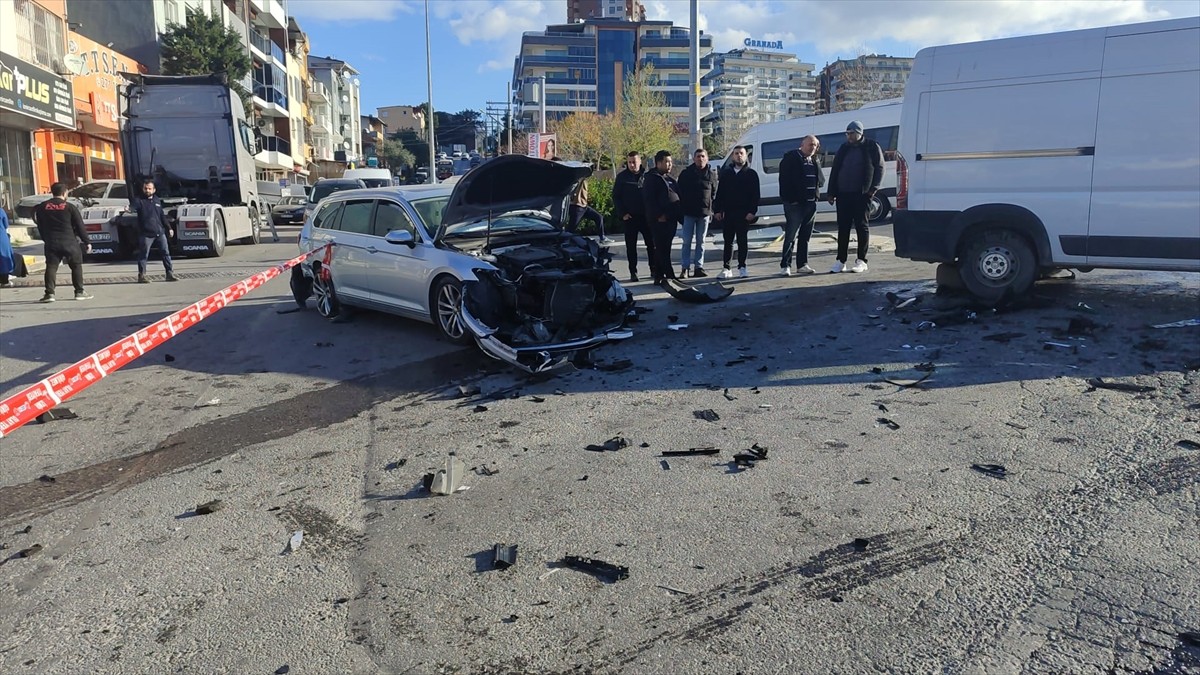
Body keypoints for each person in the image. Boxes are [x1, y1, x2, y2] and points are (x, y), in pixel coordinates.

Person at [827, 120, 883, 274]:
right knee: (843, 228)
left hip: (862, 194)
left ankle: (861, 260)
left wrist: (873, 189)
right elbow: (836, 169)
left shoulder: (871, 146)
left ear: (859, 133)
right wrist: (831, 192)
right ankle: (841, 260)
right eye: (847, 133)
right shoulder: (843, 148)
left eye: (851, 133)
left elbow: (879, 168)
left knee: (861, 226)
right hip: (843, 194)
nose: (849, 136)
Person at [32, 182, 92, 302]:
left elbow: (40, 226)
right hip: (69, 241)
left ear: (52, 192)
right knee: (76, 265)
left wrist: (46, 239)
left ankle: (49, 294)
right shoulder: (69, 207)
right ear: (65, 193)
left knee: (51, 267)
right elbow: (80, 226)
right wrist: (87, 241)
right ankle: (79, 292)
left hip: (52, 242)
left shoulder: (42, 207)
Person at [777, 134, 825, 276]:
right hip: (795, 205)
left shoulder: (814, 161)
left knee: (805, 236)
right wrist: (791, 199)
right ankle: (785, 265)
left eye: (815, 146)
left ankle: (802, 264)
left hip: (811, 204)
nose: (812, 148)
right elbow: (784, 182)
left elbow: (821, 181)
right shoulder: (791, 159)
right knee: (791, 235)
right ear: (802, 144)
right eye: (810, 144)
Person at [713, 146, 760, 279]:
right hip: (728, 213)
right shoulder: (726, 173)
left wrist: (752, 211)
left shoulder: (751, 174)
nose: (739, 156)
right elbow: (720, 193)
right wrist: (717, 210)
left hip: (743, 214)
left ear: (745, 156)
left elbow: (755, 195)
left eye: (741, 153)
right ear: (732, 156)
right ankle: (726, 268)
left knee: (742, 240)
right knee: (728, 241)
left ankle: (742, 267)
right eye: (736, 153)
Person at [612, 151, 653, 282]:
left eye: (634, 162)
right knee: (631, 247)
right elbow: (616, 197)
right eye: (629, 162)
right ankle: (633, 272)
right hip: (630, 217)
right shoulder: (622, 177)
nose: (632, 164)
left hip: (646, 217)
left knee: (652, 245)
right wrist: (622, 213)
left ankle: (654, 269)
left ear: (640, 161)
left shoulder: (648, 176)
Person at [676, 148, 718, 278]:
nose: (701, 159)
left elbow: (714, 193)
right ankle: (685, 268)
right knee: (686, 241)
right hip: (688, 213)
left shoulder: (712, 175)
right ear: (694, 159)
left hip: (704, 214)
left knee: (701, 241)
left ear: (707, 159)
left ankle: (699, 267)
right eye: (698, 156)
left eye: (703, 156)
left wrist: (711, 210)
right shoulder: (686, 174)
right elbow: (679, 192)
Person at [642, 150, 682, 285]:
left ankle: (658, 276)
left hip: (671, 219)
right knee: (661, 248)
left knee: (665, 248)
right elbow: (649, 200)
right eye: (667, 162)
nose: (670, 164)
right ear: (658, 163)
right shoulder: (651, 178)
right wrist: (658, 215)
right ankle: (670, 275)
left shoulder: (670, 179)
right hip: (659, 220)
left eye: (671, 161)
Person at [131, 178, 178, 284]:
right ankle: (142, 276)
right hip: (146, 234)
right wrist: (129, 208)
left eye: (149, 189)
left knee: (166, 253)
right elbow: (133, 207)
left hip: (159, 232)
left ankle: (169, 274)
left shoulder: (157, 200)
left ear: (154, 190)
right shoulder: (139, 200)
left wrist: (169, 228)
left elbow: (162, 216)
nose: (147, 190)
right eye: (145, 188)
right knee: (144, 255)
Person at [567, 178, 613, 244]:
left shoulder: (585, 180)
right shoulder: (578, 178)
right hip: (577, 207)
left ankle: (602, 237)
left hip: (584, 206)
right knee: (571, 228)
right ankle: (563, 241)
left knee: (599, 217)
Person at [0, 203, 15, 288]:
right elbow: (6, 225)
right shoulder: (1, 211)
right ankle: (4, 280)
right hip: (1, 238)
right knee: (3, 258)